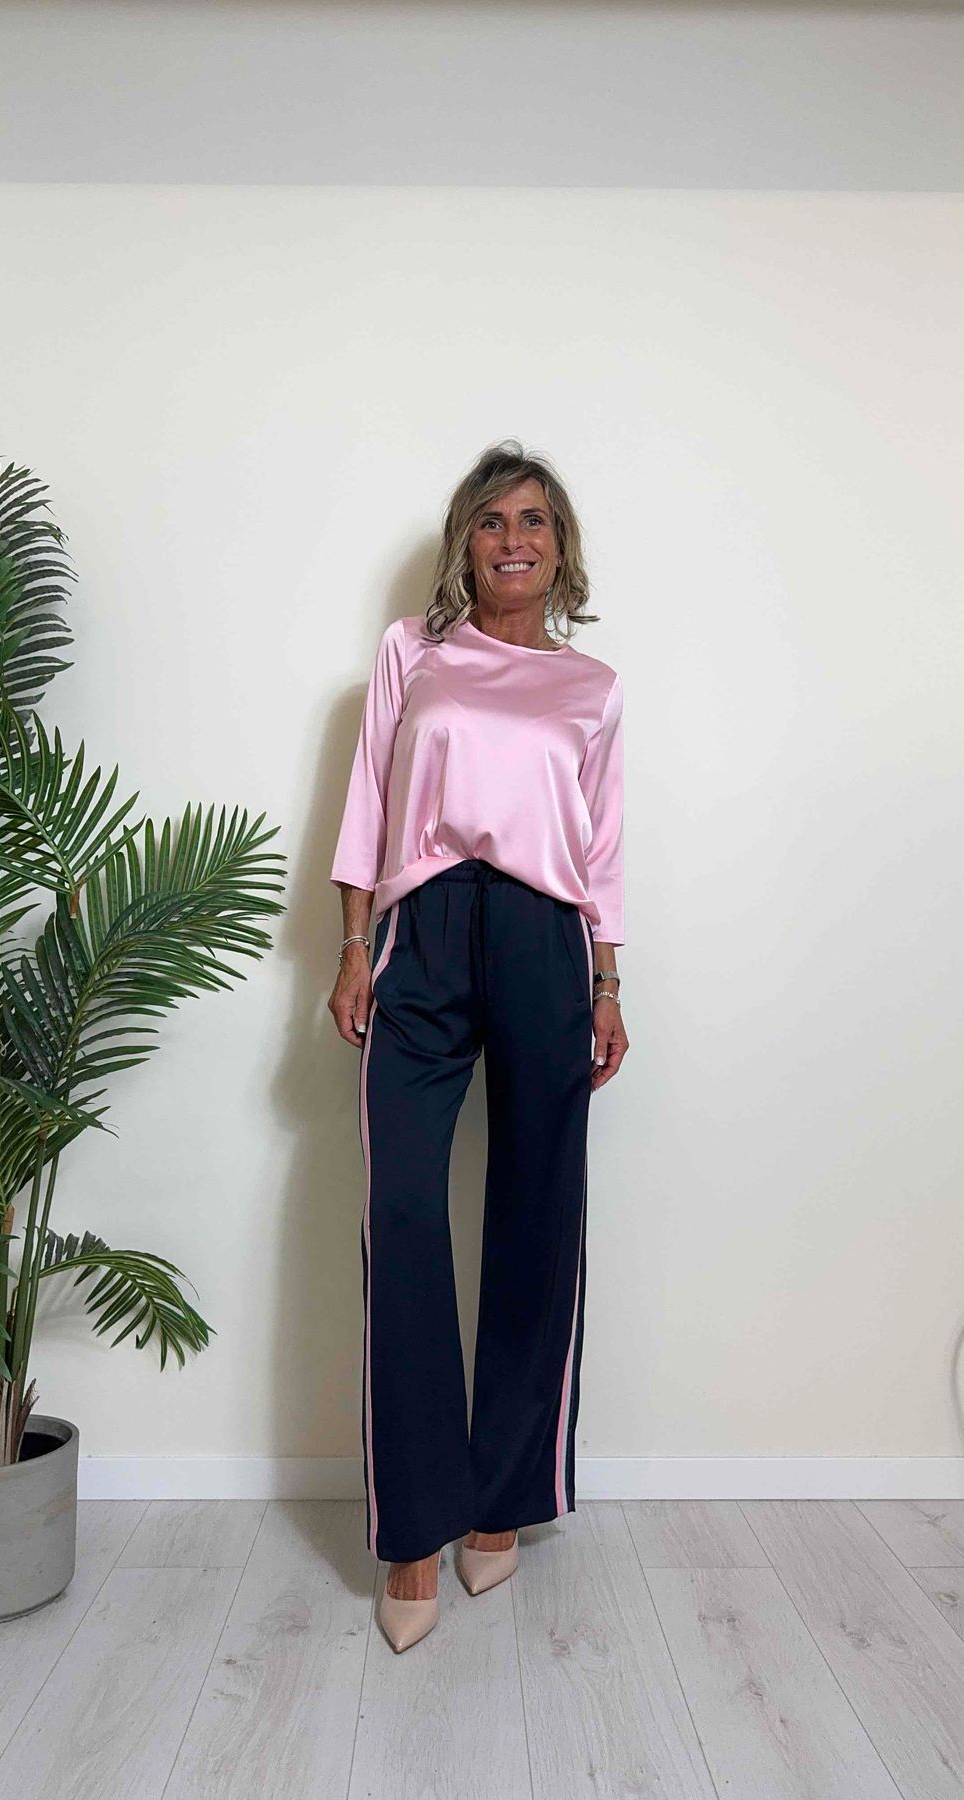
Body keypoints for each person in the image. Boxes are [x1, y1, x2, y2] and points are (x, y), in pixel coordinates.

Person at [327, 439, 628, 1652]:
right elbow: (366, 798)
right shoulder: (413, 651)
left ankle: (502, 1495)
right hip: (425, 926)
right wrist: (354, 945)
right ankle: (413, 1527)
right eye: (495, 519)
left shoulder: (592, 686)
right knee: (401, 1207)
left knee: (536, 1210)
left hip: (548, 936)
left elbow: (600, 845)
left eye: (535, 521)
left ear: (560, 549)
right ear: (467, 540)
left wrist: (606, 978)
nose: (515, 538)